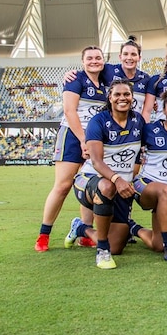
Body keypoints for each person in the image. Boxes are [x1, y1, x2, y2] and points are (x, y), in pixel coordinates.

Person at [35, 45, 105, 252]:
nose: (94, 61)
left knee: (89, 183)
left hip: (95, 138)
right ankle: (43, 235)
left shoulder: (106, 82)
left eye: (98, 58)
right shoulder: (75, 79)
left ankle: (85, 231)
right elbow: (69, 110)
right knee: (63, 185)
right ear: (82, 61)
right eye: (90, 58)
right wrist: (84, 140)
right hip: (73, 136)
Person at [71, 79, 146, 269]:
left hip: (122, 186)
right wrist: (117, 178)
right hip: (90, 179)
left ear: (132, 97)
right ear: (110, 97)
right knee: (107, 186)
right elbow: (96, 161)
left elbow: (147, 146)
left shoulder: (138, 121)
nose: (123, 98)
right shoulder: (98, 121)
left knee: (118, 247)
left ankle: (80, 227)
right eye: (118, 94)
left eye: (127, 94)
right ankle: (102, 251)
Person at [131, 86, 167, 264]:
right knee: (165, 190)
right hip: (146, 184)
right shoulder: (149, 129)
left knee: (158, 245)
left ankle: (132, 227)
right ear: (163, 110)